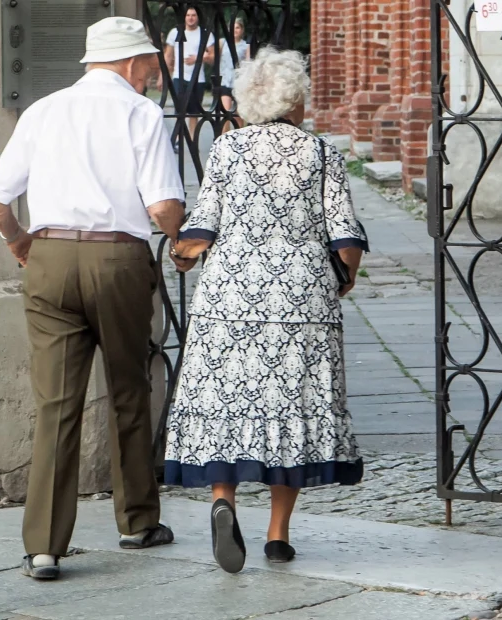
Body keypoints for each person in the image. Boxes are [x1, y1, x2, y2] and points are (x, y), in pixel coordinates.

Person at [0, 16, 185, 581]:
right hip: (116, 258)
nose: (151, 74)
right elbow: (163, 206)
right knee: (127, 389)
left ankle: (44, 547)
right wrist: (180, 239)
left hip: (48, 259)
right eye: (148, 65)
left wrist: (18, 241)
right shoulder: (140, 113)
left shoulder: (43, 110)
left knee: (56, 403)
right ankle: (136, 521)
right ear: (129, 62)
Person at [164, 47, 368, 574]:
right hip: (301, 299)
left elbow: (203, 225)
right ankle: (278, 535)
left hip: (229, 300)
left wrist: (183, 253)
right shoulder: (320, 153)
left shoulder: (228, 149)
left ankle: (223, 502)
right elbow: (345, 233)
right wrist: (343, 277)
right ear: (295, 99)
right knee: (292, 408)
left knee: (226, 403)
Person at [163, 7, 215, 147]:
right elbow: (168, 55)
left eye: (193, 15)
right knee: (179, 110)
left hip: (198, 78)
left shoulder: (205, 34)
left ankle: (192, 140)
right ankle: (178, 139)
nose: (190, 18)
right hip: (179, 76)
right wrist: (163, 76)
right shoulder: (175, 32)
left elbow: (213, 56)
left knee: (194, 112)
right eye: (188, 15)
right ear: (184, 17)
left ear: (198, 17)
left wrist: (198, 58)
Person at [215, 17, 249, 134]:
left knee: (238, 116)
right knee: (226, 114)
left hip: (239, 83)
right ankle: (224, 138)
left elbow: (248, 63)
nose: (235, 30)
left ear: (242, 30)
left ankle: (239, 139)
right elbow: (214, 58)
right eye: (232, 28)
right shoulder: (222, 42)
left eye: (237, 27)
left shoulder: (245, 45)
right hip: (225, 81)